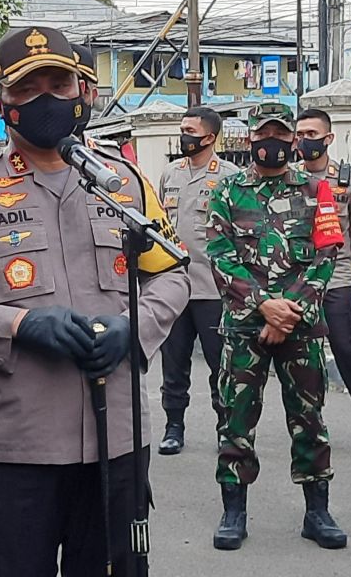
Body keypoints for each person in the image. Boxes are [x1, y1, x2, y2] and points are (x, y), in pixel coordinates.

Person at [0, 26, 189, 575]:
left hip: (119, 439)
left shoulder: (122, 184)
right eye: (27, 89)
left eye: (60, 84)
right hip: (18, 447)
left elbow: (172, 273)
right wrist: (17, 325)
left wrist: (136, 326)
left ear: (84, 91)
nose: (47, 100)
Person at [207, 101, 348, 551]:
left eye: (282, 136)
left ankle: (317, 511)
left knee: (309, 419)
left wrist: (289, 312)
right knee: (236, 418)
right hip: (246, 327)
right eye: (264, 135)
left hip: (300, 327)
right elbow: (220, 256)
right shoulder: (227, 192)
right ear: (249, 139)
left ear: (293, 140)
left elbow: (328, 257)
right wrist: (265, 306)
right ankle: (233, 511)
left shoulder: (317, 190)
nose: (274, 143)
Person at [295, 107, 351, 454]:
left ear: (329, 139)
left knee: (348, 349)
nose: (304, 140)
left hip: (336, 277)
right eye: (300, 133)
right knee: (301, 356)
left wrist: (340, 261)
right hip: (297, 279)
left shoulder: (348, 179)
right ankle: (308, 426)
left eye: (312, 134)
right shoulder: (287, 177)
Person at [156, 105, 240, 455]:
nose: (184, 136)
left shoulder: (230, 177)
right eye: (182, 129)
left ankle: (227, 426)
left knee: (220, 362)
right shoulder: (170, 174)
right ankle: (174, 425)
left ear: (209, 136)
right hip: (174, 285)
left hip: (212, 287)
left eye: (190, 130)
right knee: (173, 363)